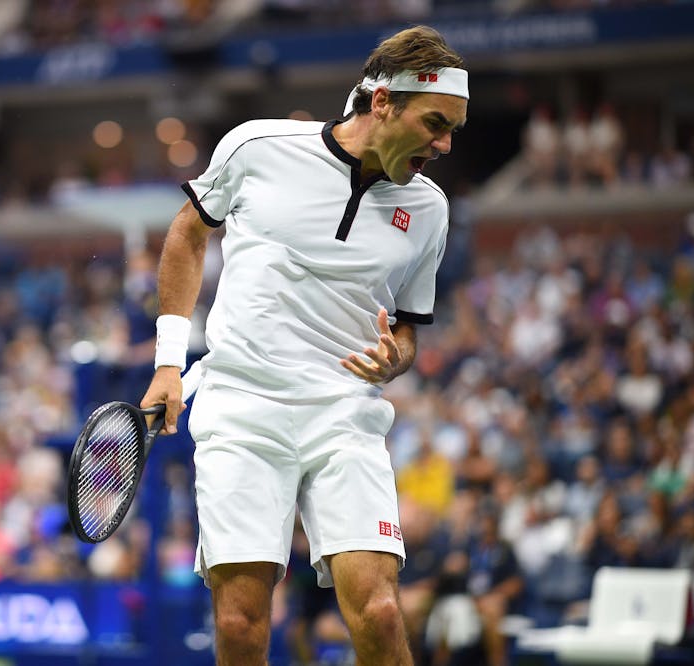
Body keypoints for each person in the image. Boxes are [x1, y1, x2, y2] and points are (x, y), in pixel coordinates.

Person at [141, 25, 469, 665]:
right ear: (382, 103)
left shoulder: (429, 209)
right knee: (240, 624)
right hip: (241, 405)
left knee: (376, 610)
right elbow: (187, 232)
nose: (445, 143)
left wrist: (394, 359)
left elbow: (406, 331)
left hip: (345, 412)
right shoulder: (257, 145)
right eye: (435, 123)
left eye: (453, 128)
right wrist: (167, 363)